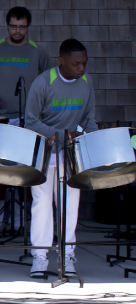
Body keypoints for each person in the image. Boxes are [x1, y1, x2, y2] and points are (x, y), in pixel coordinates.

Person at [0, 6, 51, 233]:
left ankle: (19, 222)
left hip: (29, 119)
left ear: (28, 26)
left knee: (22, 170)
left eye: (22, 27)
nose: (18, 31)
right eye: (14, 26)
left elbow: (49, 83)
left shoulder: (39, 51)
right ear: (7, 26)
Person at [24, 38, 97, 278]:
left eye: (84, 63)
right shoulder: (43, 82)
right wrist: (60, 134)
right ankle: (40, 257)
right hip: (45, 154)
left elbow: (89, 119)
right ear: (61, 60)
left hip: (71, 155)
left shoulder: (86, 83)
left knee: (69, 207)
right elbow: (31, 120)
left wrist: (88, 137)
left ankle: (67, 256)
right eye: (76, 64)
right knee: (42, 206)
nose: (82, 69)